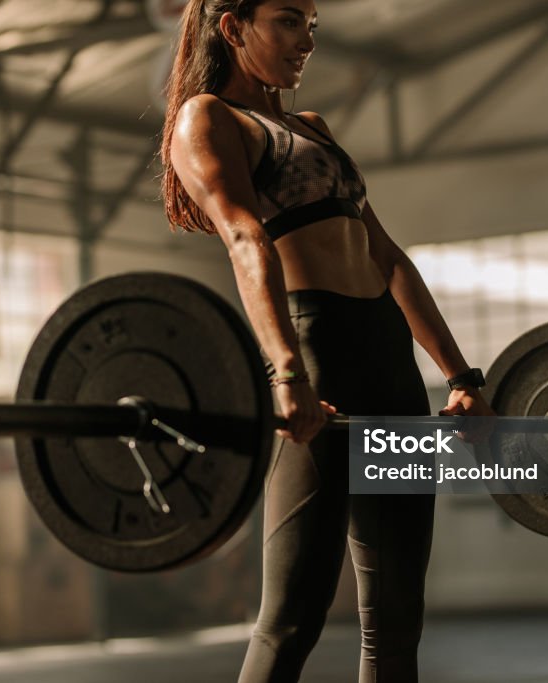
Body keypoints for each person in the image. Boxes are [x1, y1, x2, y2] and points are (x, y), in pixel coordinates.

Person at [160, 1, 495, 680]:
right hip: (318, 360)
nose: (307, 39)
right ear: (233, 27)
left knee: (397, 623)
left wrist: (462, 376)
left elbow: (389, 258)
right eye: (288, 19)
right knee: (291, 621)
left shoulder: (310, 126)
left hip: (388, 360)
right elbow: (246, 239)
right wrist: (287, 372)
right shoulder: (209, 120)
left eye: (313, 23)